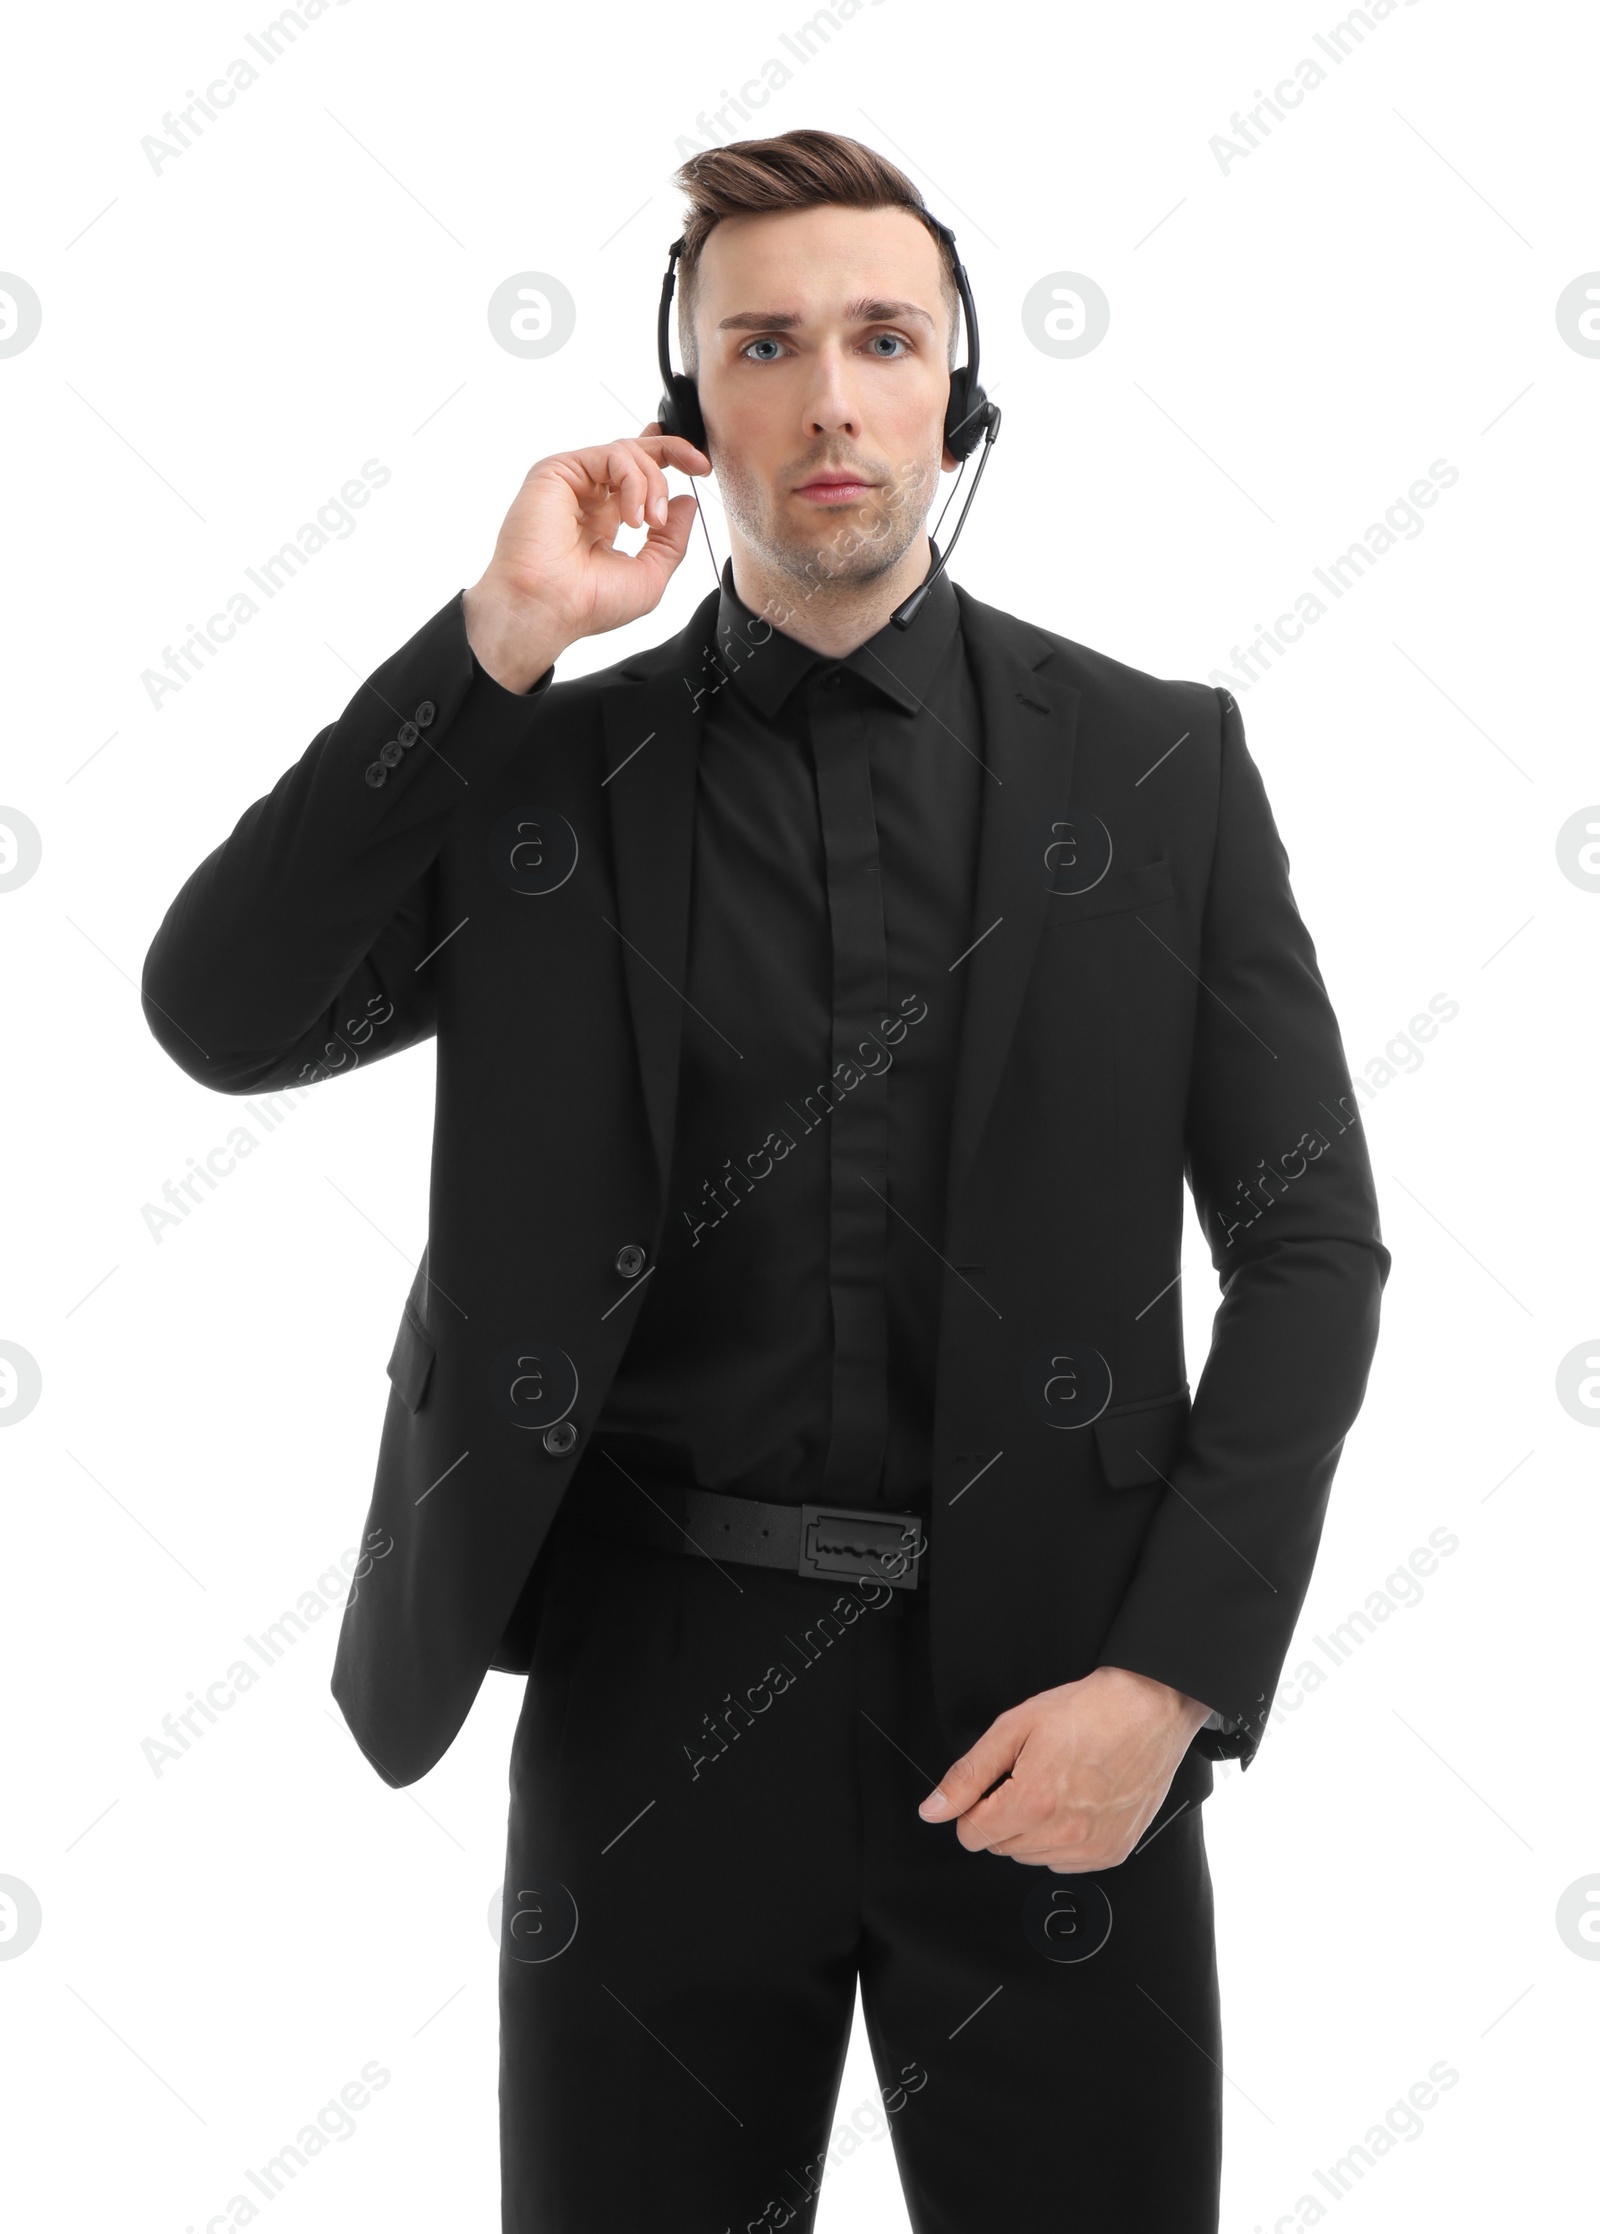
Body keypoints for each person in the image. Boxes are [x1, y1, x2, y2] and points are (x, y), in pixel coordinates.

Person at [141, 127, 1390, 2234]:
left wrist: (1166, 1682)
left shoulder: (1157, 767)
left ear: (955, 399)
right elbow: (221, 1006)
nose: (827, 397)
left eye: (881, 340)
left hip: (1046, 1718)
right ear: (686, 414)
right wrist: (494, 638)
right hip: (648, 1712)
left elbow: (1306, 1244)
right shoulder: (542, 769)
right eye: (765, 345)